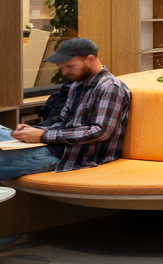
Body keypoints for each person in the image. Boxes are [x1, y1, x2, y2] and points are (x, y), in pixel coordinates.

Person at [0, 38, 131, 181]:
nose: (64, 72)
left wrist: (43, 136)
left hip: (75, 155)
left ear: (90, 60)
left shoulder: (110, 87)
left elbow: (100, 132)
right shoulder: (78, 85)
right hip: (57, 145)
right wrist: (35, 131)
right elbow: (64, 123)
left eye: (70, 66)